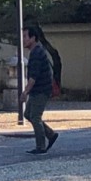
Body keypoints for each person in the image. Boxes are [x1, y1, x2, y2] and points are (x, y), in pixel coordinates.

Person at [22, 25, 59, 154]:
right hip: (38, 90)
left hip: (41, 90)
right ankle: (50, 134)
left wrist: (25, 92)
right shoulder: (37, 51)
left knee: (35, 117)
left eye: (26, 37)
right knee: (28, 114)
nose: (24, 40)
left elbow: (33, 77)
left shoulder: (37, 53)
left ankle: (41, 146)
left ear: (33, 38)